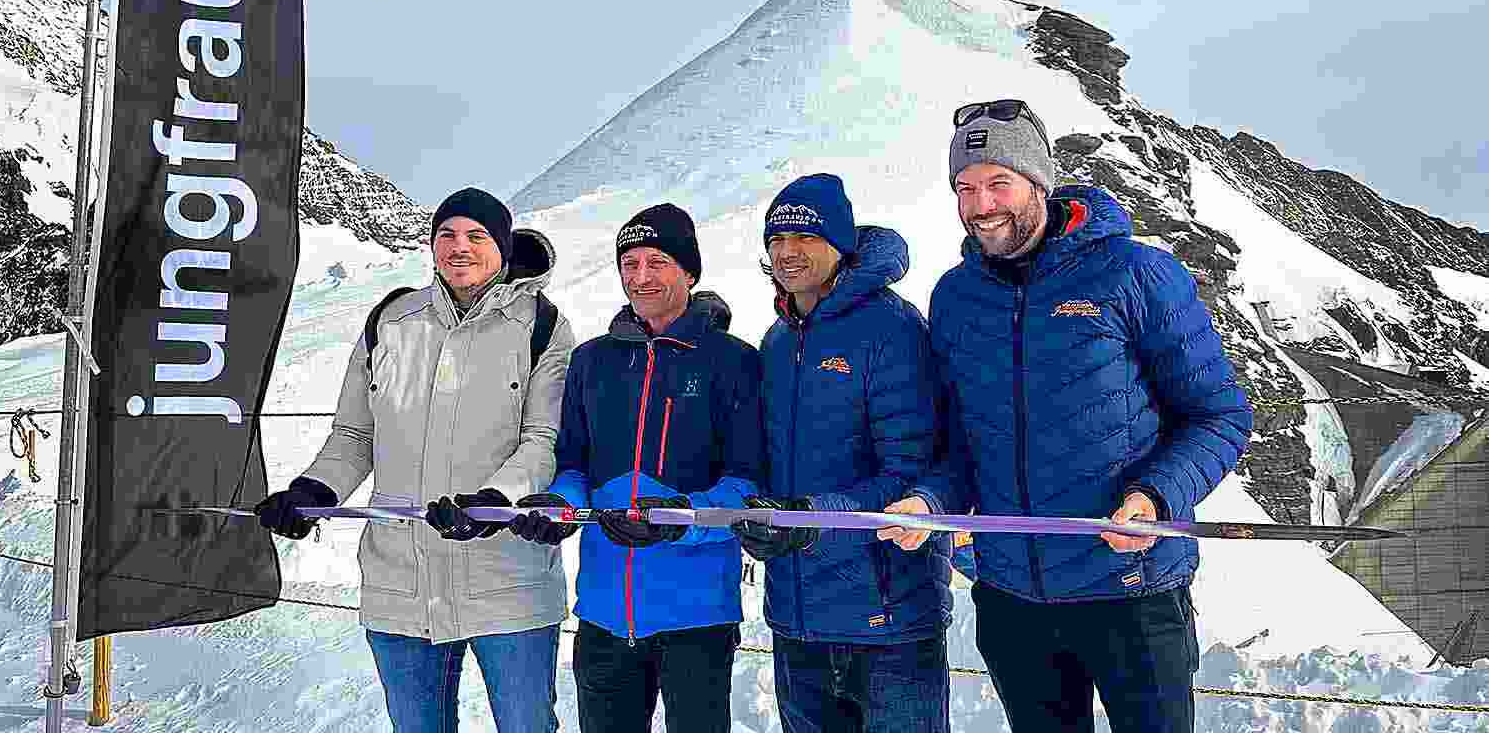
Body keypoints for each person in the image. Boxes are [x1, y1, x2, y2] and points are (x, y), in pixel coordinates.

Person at [878, 100, 1254, 733]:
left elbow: (1218, 417)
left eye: (999, 181)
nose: (981, 203)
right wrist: (928, 501)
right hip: (1012, 599)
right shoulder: (955, 297)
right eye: (965, 188)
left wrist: (1156, 499)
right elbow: (962, 444)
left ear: (1040, 184)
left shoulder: (1138, 274)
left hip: (1131, 587)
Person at [255, 187, 575, 733]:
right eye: (446, 234)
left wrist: (495, 500)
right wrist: (314, 491)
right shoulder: (392, 321)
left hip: (506, 579)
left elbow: (543, 439)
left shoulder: (541, 326)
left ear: (501, 245)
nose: (460, 247)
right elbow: (355, 434)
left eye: (477, 236)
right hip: (401, 580)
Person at [507, 203, 764, 733]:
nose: (640, 276)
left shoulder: (733, 360)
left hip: (697, 612)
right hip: (602, 611)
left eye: (657, 261)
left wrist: (681, 517)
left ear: (689, 272)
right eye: (629, 263)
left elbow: (746, 482)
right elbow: (574, 464)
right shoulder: (593, 360)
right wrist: (559, 504)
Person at [732, 173, 952, 733]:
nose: (787, 252)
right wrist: (762, 512)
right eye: (776, 240)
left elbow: (911, 472)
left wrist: (810, 516)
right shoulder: (779, 340)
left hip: (888, 618)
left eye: (804, 238)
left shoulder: (892, 328)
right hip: (797, 615)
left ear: (841, 244)